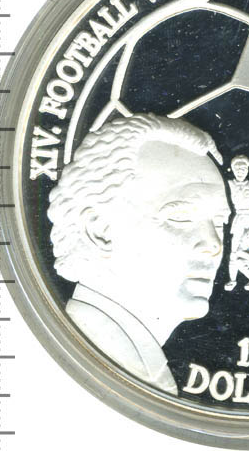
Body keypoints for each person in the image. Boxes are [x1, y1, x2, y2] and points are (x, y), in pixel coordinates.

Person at [48, 114, 231, 395]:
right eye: (181, 217)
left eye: (219, 222)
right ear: (100, 231)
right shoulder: (68, 369)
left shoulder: (125, 363)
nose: (213, 244)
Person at [228, 155, 249, 256]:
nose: (240, 172)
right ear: (233, 170)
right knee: (237, 236)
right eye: (237, 169)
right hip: (239, 216)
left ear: (247, 170)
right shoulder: (230, 184)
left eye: (243, 169)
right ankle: (234, 255)